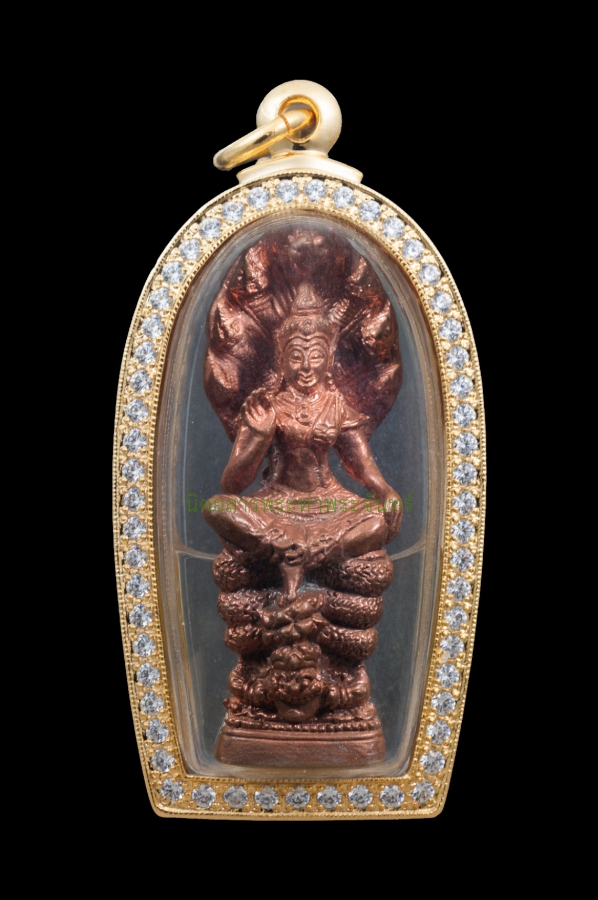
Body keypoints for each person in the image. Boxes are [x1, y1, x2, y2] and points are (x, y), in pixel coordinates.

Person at [203, 283, 402, 600]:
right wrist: (260, 437)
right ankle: (290, 547)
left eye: (316, 355)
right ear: (281, 358)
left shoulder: (337, 405)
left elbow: (363, 466)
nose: (307, 367)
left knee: (378, 522)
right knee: (216, 507)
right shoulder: (266, 406)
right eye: (296, 356)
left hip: (329, 503)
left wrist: (385, 491)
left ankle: (298, 554)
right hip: (276, 502)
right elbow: (231, 484)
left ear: (330, 357)